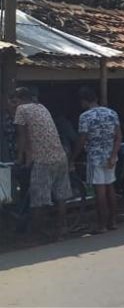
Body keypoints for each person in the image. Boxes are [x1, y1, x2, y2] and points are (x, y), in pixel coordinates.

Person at [11, 87, 72, 240]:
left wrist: (20, 159)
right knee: (60, 196)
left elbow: (22, 137)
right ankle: (62, 229)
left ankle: (36, 235)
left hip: (43, 160)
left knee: (38, 200)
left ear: (19, 99)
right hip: (60, 155)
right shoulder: (41, 107)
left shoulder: (22, 109)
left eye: (15, 101)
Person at [71, 87, 121, 233]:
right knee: (110, 188)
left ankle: (102, 225)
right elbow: (119, 136)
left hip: (94, 157)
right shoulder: (112, 113)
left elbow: (81, 140)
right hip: (111, 156)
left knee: (99, 192)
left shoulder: (85, 117)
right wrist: (113, 155)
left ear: (84, 101)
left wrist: (73, 158)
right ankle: (113, 221)